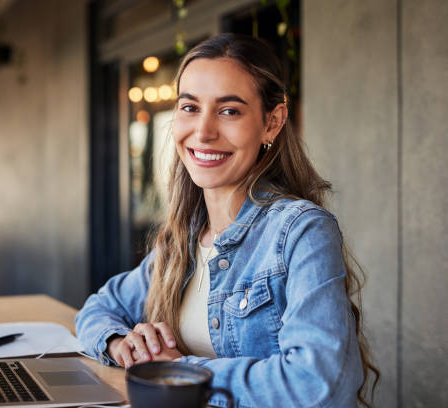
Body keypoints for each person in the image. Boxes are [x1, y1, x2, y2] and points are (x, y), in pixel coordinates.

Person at [75, 33, 379, 407]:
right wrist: (121, 343)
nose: (203, 132)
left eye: (229, 110)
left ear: (272, 122)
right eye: (190, 108)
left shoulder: (300, 231)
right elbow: (96, 309)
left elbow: (316, 381)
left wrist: (184, 374)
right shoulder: (182, 242)